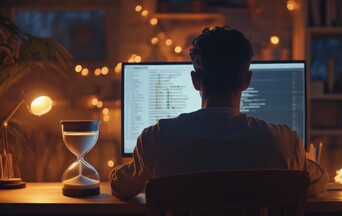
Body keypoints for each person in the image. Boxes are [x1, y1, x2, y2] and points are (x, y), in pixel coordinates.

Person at [110, 26, 329, 199]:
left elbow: (121, 186)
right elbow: (320, 181)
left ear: (196, 81)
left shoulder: (156, 139)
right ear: (247, 81)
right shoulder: (283, 143)